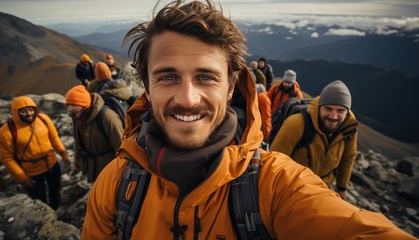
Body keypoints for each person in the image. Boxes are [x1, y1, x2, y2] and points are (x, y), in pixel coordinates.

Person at [81, 1, 415, 239]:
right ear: (147, 89)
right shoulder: (115, 185)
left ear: (230, 88)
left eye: (206, 77)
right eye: (167, 77)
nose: (187, 97)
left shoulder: (276, 185)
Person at [270, 80, 357, 200]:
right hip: (292, 189)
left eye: (340, 111)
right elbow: (275, 159)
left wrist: (341, 188)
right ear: (320, 107)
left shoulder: (349, 129)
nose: (333, 116)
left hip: (324, 190)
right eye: (328, 109)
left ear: (347, 112)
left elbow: (348, 157)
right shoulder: (296, 123)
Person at [0, 96, 70, 210]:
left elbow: (54, 138)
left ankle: (55, 210)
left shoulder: (43, 119)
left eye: (31, 109)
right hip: (31, 171)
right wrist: (21, 177)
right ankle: (45, 214)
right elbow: (6, 158)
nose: (29, 113)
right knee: (38, 198)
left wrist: (63, 155)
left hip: (51, 163)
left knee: (55, 189)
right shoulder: (5, 133)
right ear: (16, 112)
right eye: (23, 111)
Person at [65, 85, 124, 182]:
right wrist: (77, 161)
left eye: (73, 104)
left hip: (110, 169)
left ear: (84, 104)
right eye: (68, 105)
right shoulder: (78, 117)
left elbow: (120, 145)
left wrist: (121, 171)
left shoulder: (107, 117)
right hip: (94, 168)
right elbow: (78, 141)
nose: (70, 109)